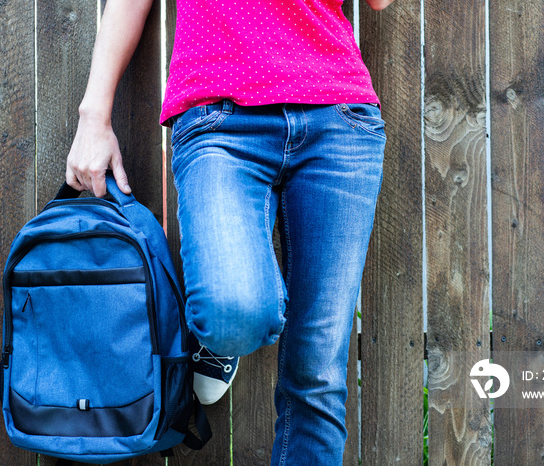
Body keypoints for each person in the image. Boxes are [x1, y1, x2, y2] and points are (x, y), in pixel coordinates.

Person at [66, 0, 394, 463]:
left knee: (317, 375)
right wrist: (93, 117)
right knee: (232, 314)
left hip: (338, 116)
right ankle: (220, 338)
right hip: (220, 116)